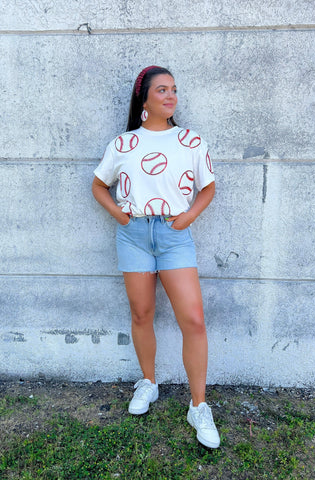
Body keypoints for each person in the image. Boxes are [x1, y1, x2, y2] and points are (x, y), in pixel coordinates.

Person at [92, 66, 220, 449]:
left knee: (193, 320)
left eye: (174, 90)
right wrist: (119, 214)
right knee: (141, 314)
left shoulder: (190, 141)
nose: (171, 96)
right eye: (162, 90)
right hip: (133, 236)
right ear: (143, 100)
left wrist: (189, 217)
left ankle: (198, 406)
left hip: (174, 235)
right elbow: (99, 186)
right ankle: (148, 383)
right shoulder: (124, 144)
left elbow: (208, 188)